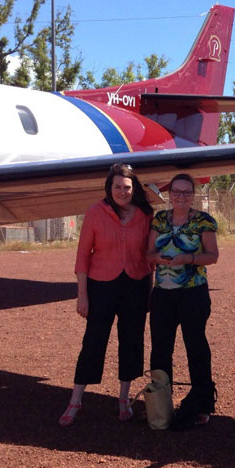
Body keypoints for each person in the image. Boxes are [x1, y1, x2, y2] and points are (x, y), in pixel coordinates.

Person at [60, 163, 153, 426]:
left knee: (132, 339)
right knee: (94, 340)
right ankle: (75, 400)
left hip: (136, 283)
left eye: (127, 187)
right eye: (117, 187)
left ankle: (123, 399)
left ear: (133, 189)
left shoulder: (145, 214)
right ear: (109, 188)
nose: (122, 192)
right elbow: (82, 257)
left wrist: (151, 288)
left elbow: (149, 255)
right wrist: (82, 295)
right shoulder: (94, 213)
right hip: (101, 285)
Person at [146, 173, 219, 429]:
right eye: (176, 192)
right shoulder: (159, 220)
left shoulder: (203, 221)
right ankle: (160, 407)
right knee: (160, 350)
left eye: (187, 192)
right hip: (163, 294)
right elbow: (148, 253)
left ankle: (202, 403)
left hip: (193, 293)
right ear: (169, 194)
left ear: (193, 195)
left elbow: (212, 256)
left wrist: (188, 259)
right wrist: (158, 259)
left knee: (196, 347)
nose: (181, 196)